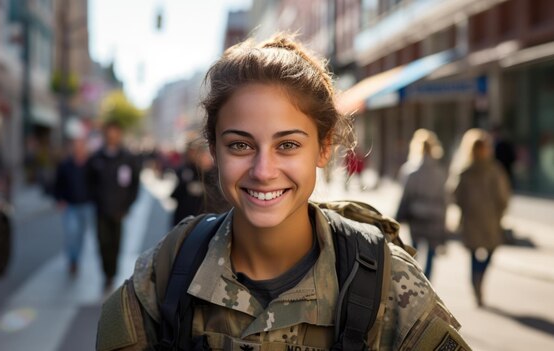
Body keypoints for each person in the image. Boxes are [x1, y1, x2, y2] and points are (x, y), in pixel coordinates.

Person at [96, 34, 470, 350]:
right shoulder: (168, 270)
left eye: (288, 145)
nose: (263, 171)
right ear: (214, 151)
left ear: (324, 148)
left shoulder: (386, 282)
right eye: (240, 146)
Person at [449, 128, 511, 307]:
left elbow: (455, 195)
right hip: (489, 219)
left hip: (472, 219)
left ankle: (476, 283)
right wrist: (500, 212)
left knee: (475, 255)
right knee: (488, 251)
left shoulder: (465, 170)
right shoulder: (493, 169)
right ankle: (479, 281)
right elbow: (503, 195)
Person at [87, 120, 141, 289]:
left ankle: (113, 272)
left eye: (115, 133)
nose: (112, 137)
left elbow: (134, 184)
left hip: (119, 211)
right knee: (102, 243)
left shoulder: (127, 158)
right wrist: (95, 200)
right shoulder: (96, 158)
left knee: (116, 244)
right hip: (101, 210)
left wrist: (127, 206)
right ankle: (106, 274)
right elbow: (89, 182)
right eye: (109, 133)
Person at [395, 129, 447, 279]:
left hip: (416, 214)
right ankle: (427, 283)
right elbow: (444, 198)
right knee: (431, 253)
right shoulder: (439, 171)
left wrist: (398, 217)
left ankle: (415, 281)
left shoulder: (410, 170)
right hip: (435, 216)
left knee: (414, 250)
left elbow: (405, 196)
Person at [54, 137, 92, 275]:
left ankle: (77, 258)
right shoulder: (65, 165)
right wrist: (59, 199)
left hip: (86, 205)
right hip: (70, 205)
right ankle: (72, 260)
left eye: (81, 146)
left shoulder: (90, 164)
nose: (79, 149)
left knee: (81, 234)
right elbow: (57, 183)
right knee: (71, 233)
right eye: (76, 146)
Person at [170, 137, 224, 226]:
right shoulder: (186, 169)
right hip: (184, 218)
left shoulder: (215, 172)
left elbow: (220, 197)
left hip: (207, 220)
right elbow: (175, 195)